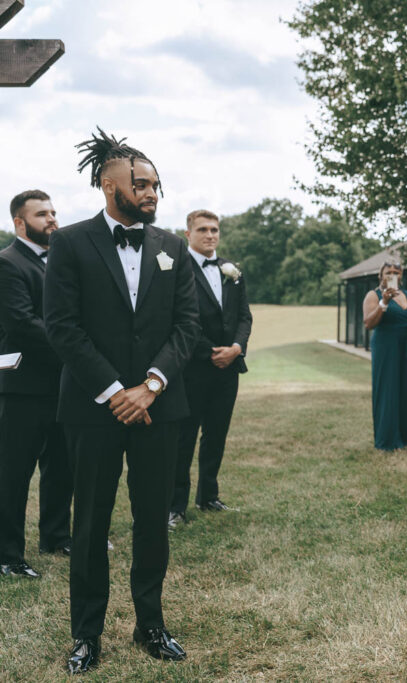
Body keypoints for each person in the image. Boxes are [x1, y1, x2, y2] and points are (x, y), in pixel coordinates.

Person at [44, 130, 200, 674]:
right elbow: (62, 328)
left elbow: (187, 325)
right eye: (142, 183)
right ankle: (86, 635)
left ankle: (150, 625)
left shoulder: (172, 247)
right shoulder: (68, 243)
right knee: (89, 522)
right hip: (93, 409)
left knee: (153, 520)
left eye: (157, 183)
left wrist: (151, 384)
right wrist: (115, 391)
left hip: (160, 407)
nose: (153, 191)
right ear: (109, 185)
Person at [0, 190, 72, 580]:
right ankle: (7, 554)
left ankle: (56, 535)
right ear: (19, 222)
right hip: (22, 387)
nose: (51, 219)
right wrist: (75, 346)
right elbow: (21, 324)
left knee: (62, 465)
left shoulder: (60, 262)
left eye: (54, 212)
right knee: (13, 473)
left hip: (62, 385)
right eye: (42, 214)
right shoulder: (7, 264)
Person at [169, 210, 253, 529]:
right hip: (192, 368)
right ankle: (175, 506)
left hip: (228, 368)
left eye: (214, 229)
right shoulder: (177, 268)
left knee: (216, 434)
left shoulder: (232, 270)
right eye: (202, 229)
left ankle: (209, 496)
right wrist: (210, 352)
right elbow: (177, 319)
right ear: (187, 233)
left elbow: (244, 316)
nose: (210, 235)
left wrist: (235, 348)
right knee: (184, 438)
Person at [362, 262, 407, 451]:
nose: (392, 275)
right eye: (388, 272)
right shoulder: (373, 295)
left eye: (396, 272)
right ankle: (387, 440)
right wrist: (384, 302)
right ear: (380, 276)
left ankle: (404, 436)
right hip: (386, 348)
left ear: (401, 275)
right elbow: (368, 323)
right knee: (387, 391)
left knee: (403, 390)